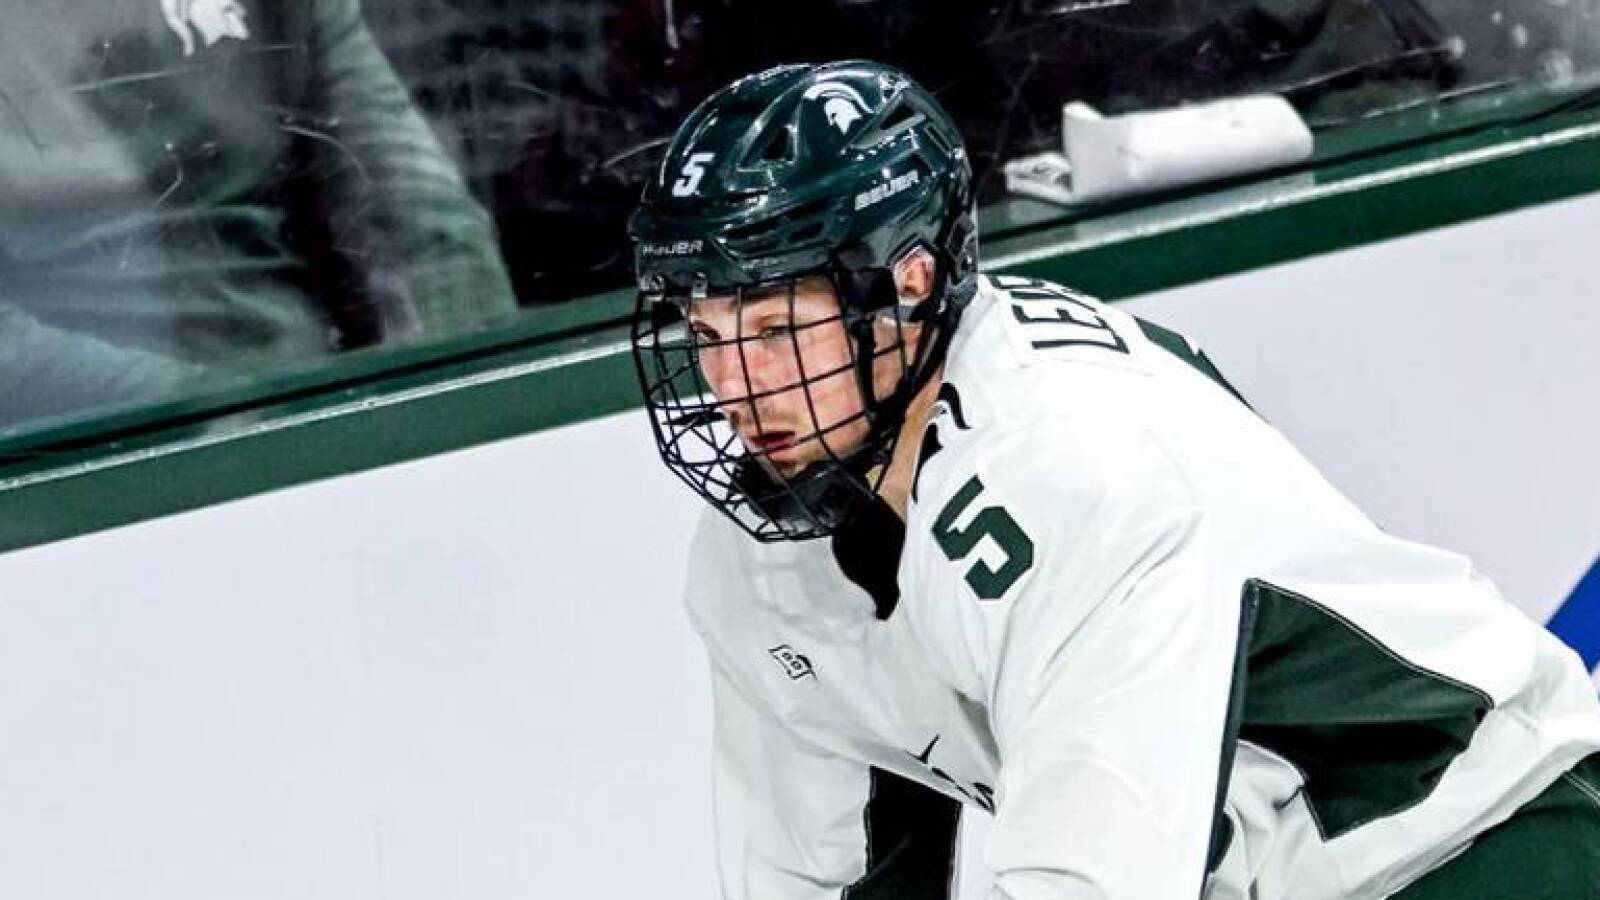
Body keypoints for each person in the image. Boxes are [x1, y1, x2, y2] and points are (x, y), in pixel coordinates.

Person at [627, 60, 1600, 900]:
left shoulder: (1070, 472)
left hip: (1477, 840)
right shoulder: (766, 545)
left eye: (774, 329)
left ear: (909, 284)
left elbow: (1088, 882)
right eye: (707, 334)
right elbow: (824, 870)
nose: (733, 385)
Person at [0, 0, 515, 429]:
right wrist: (215, 412)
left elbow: (421, 206)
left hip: (320, 404)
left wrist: (473, 392)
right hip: (105, 450)